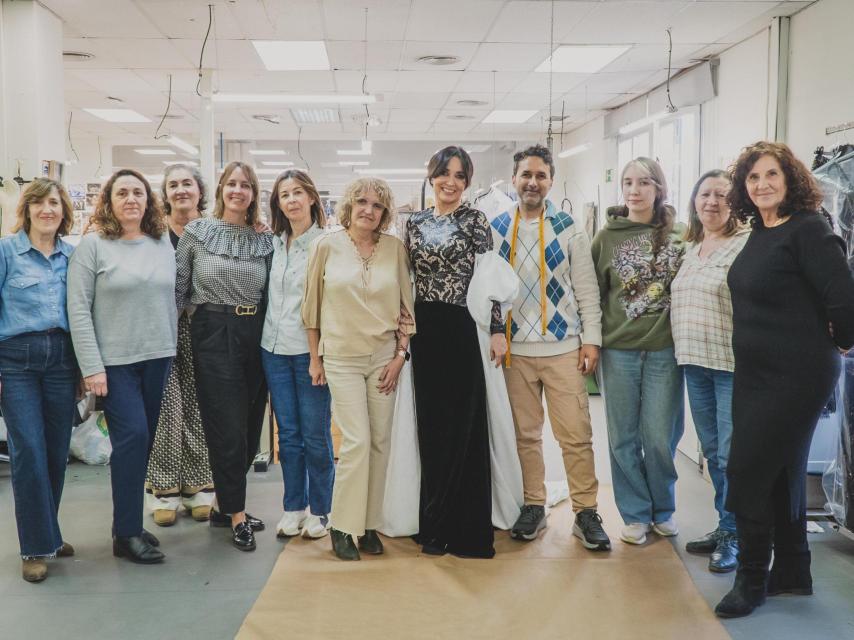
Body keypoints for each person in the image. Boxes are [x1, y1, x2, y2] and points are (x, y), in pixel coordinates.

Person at [715, 142, 854, 618]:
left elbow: (843, 296)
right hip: (756, 373)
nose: (762, 185)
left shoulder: (809, 229)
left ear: (790, 179)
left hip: (796, 375)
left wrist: (840, 342)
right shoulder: (761, 230)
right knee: (780, 471)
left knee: (748, 469)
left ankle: (751, 579)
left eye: (771, 175)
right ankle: (793, 572)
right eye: (753, 178)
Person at [490, 145, 610, 550]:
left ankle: (586, 511)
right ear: (514, 179)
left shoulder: (569, 227)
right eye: (526, 175)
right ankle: (533, 505)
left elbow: (587, 289)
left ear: (551, 182)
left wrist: (590, 340)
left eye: (541, 176)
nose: (532, 182)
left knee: (575, 434)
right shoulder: (496, 227)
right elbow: (489, 292)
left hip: (562, 348)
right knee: (525, 435)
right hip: (514, 351)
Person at [302, 177, 415, 561]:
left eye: (377, 205)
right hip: (342, 358)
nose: (369, 209)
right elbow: (312, 308)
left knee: (381, 442)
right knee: (357, 442)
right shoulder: (325, 246)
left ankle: (368, 525)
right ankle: (342, 527)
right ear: (350, 205)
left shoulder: (395, 249)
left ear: (385, 213)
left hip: (384, 358)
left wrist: (401, 355)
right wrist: (315, 359)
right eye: (362, 202)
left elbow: (406, 309)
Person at [68, 169, 177, 564]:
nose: (131, 199)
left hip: (157, 356)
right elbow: (78, 309)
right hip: (114, 363)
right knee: (131, 439)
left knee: (142, 441)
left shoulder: (162, 241)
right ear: (109, 202)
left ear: (148, 200)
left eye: (138, 192)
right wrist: (91, 367)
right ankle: (126, 534)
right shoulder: (93, 246)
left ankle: (127, 522)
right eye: (122, 193)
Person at [407, 146, 507, 559]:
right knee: (431, 428)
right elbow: (406, 278)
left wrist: (499, 331)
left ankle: (466, 529)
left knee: (464, 426)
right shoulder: (413, 222)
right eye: (444, 173)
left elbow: (492, 278)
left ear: (467, 183)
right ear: (431, 176)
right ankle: (434, 522)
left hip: (463, 328)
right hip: (423, 330)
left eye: (460, 175)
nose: (451, 181)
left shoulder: (475, 220)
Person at [175, 161, 273, 552]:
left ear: (253, 194)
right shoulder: (197, 232)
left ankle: (222, 505)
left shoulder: (264, 239)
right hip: (212, 331)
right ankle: (236, 514)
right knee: (227, 427)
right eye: (232, 184)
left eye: (246, 185)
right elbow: (179, 288)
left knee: (250, 426)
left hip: (256, 333)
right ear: (220, 190)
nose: (238, 191)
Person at [591, 157, 686, 546]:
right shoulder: (606, 238)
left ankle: (662, 508)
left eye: (644, 182)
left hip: (665, 349)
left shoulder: (681, 234)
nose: (634, 190)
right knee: (623, 437)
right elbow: (593, 296)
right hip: (619, 352)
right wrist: (592, 345)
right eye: (628, 182)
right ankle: (634, 512)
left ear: (658, 188)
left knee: (660, 436)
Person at [0, 179, 77, 582]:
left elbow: (80, 314)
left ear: (64, 211)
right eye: (40, 203)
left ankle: (49, 531)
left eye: (55, 203)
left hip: (62, 360)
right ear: (27, 209)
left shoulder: (73, 256)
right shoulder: (5, 252)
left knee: (55, 451)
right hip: (17, 362)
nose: (48, 210)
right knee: (28, 450)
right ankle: (34, 546)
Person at [671, 170, 747, 573]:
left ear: (735, 201)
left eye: (721, 195)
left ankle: (736, 533)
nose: (712, 202)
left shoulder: (746, 243)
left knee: (731, 455)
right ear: (694, 202)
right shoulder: (692, 245)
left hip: (732, 366)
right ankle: (725, 525)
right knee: (713, 454)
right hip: (694, 364)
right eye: (705, 195)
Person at [261, 170, 334, 540]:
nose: (291, 200)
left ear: (311, 198)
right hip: (273, 350)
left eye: (297, 193)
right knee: (287, 435)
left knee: (316, 435)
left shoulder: (327, 244)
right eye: (284, 194)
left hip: (309, 354)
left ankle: (322, 510)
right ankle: (293, 508)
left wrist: (318, 356)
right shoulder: (273, 243)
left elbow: (328, 304)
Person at [145, 164, 215, 526]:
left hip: (202, 328)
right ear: (165, 193)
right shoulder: (153, 233)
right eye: (173, 185)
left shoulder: (213, 230)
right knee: (165, 405)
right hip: (159, 327)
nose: (181, 190)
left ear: (199, 190)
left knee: (198, 403)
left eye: (187, 183)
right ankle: (163, 487)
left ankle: (199, 486)